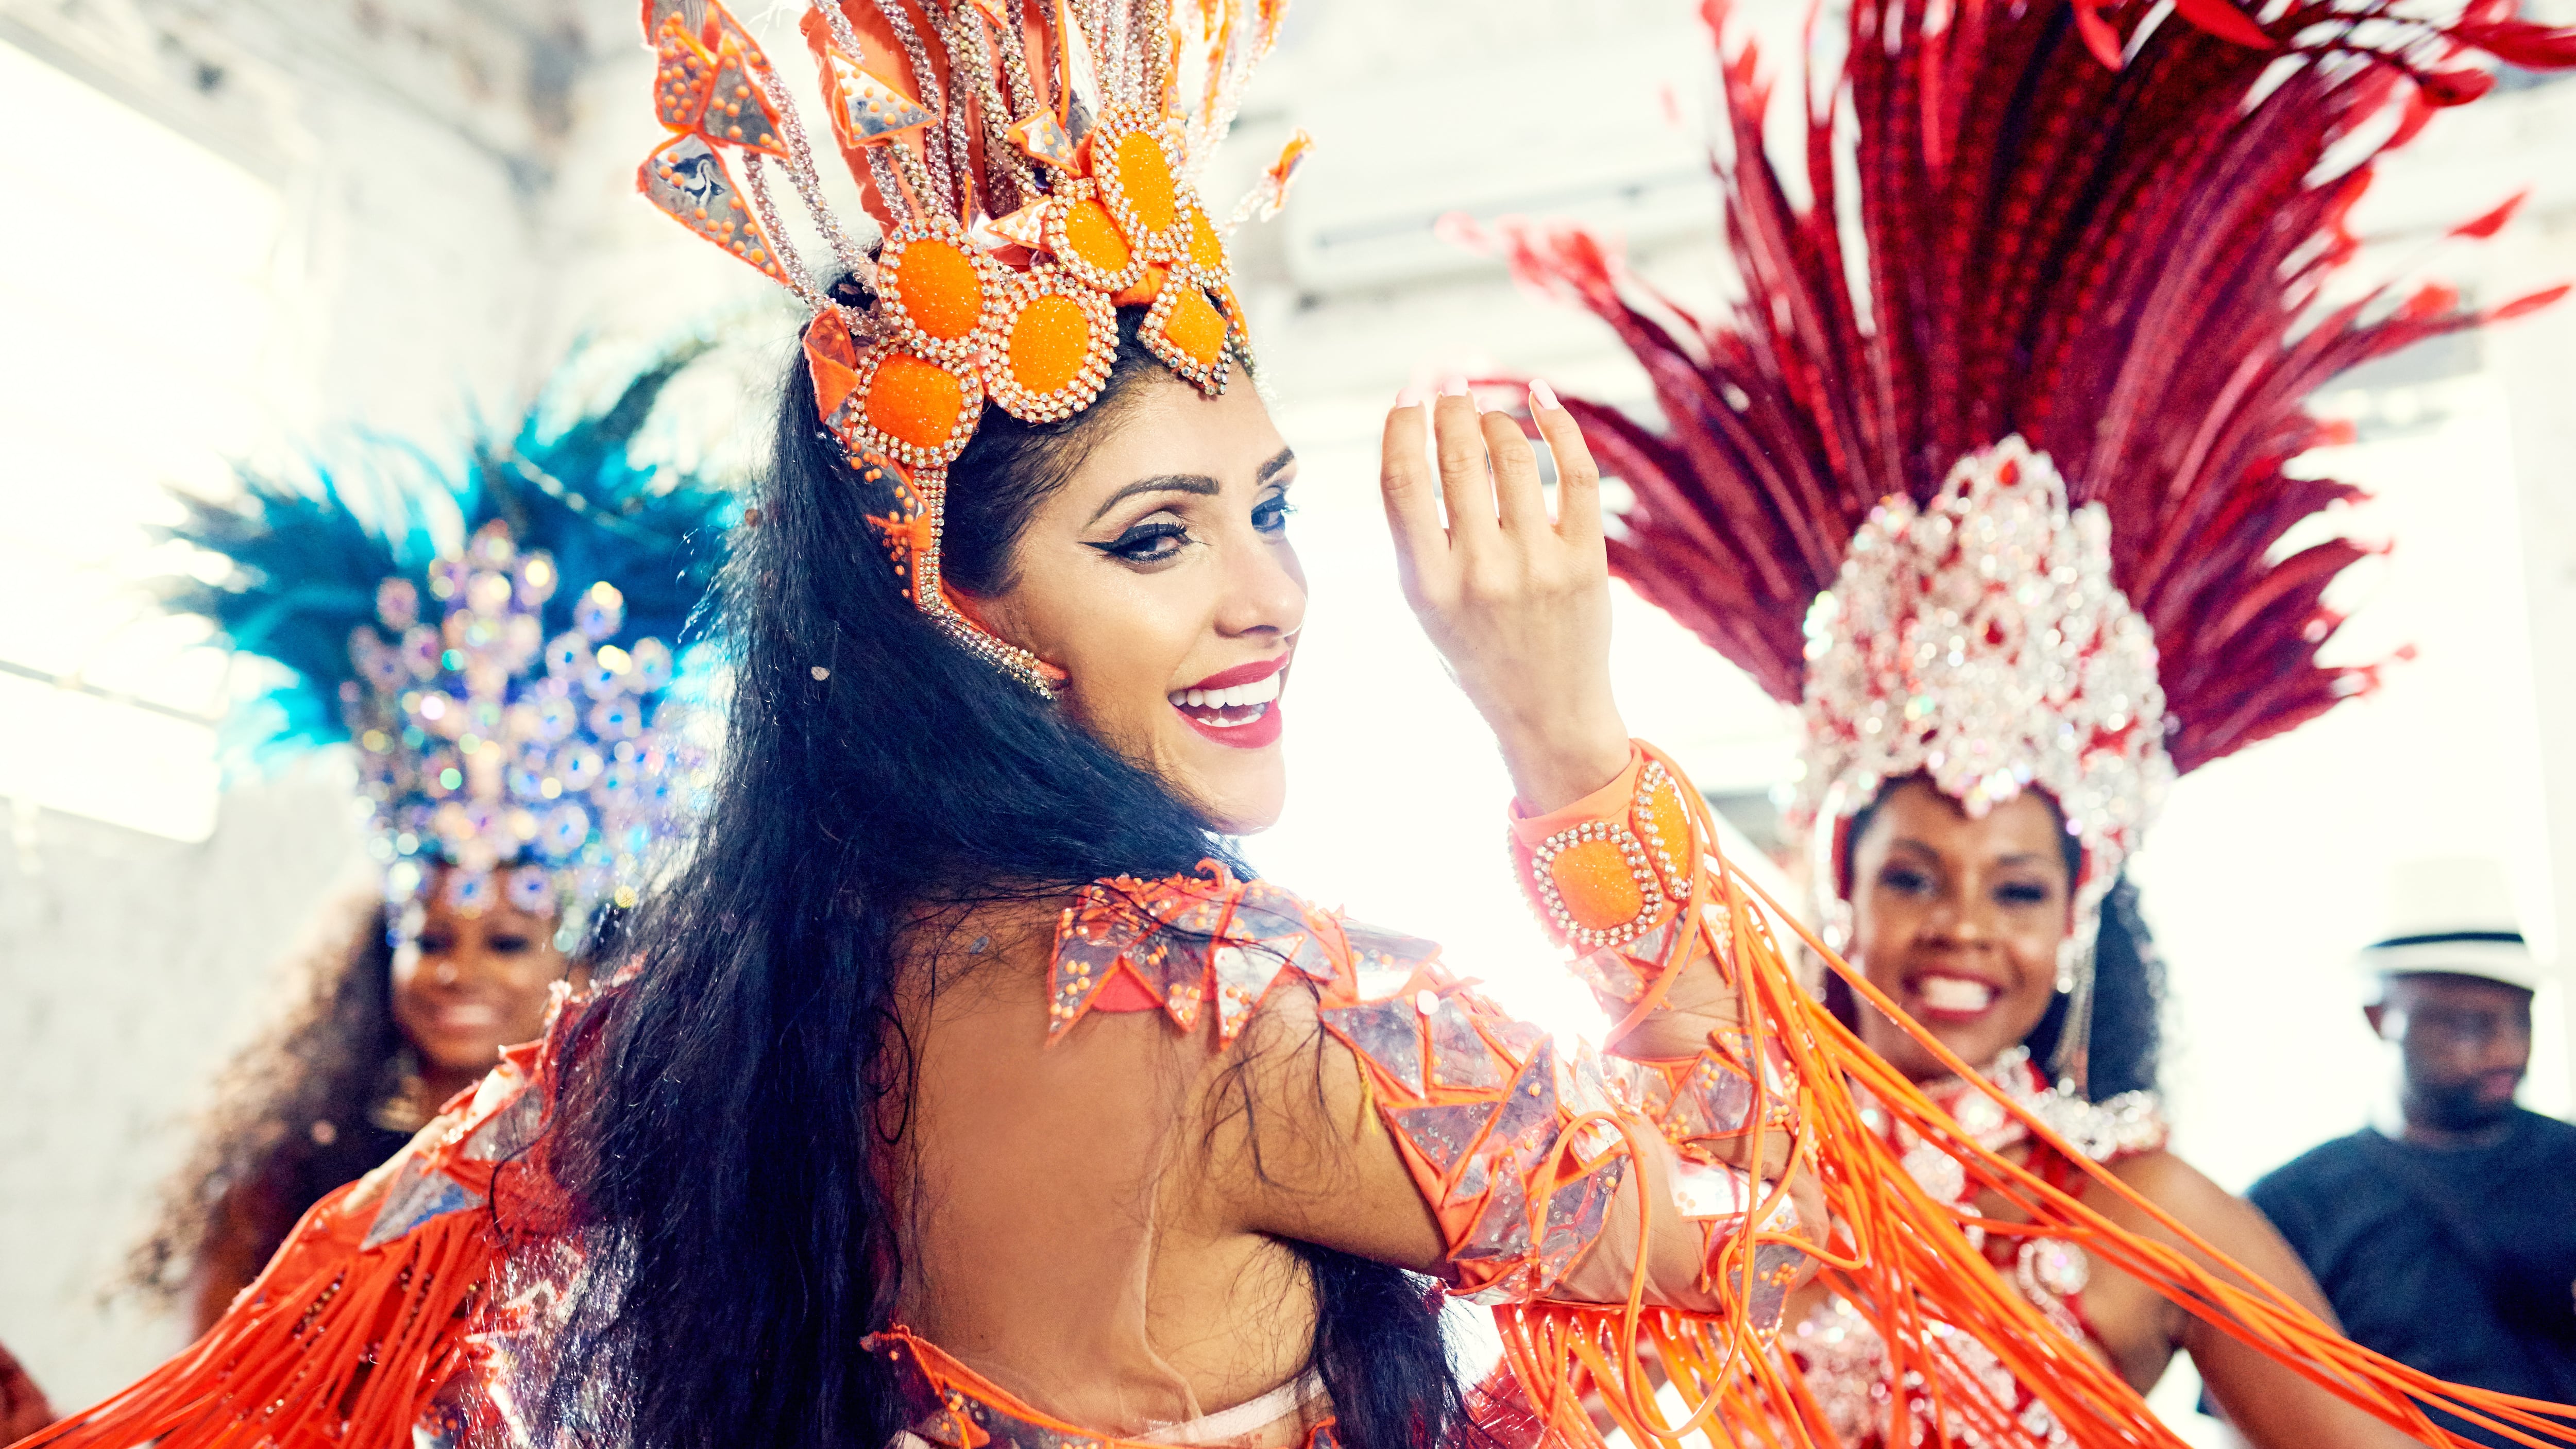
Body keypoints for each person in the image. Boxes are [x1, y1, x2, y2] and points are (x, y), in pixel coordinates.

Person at [22, 4, 2576, 1449]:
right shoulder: (1283, 1028)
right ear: (945, 613)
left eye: (1259, 501)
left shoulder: (663, 1041)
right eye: (1153, 538)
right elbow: (1785, 1229)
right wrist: (1564, 729)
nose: (1271, 593)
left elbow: (289, 1371)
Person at [1489, 0, 2576, 1438]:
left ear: (2077, 921)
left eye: (2017, 886)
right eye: (1915, 874)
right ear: (1838, 885)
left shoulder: (2149, 1212)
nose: (1962, 928)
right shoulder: (1724, 1148)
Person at [120, 347, 727, 1334]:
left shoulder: (638, 1169)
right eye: (433, 937)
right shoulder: (295, 1167)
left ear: (580, 956)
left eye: (505, 940)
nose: (457, 971)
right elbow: (217, 1387)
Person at [2250, 858, 2576, 1445]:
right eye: (2467, 1026)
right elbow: (2253, 1416)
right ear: (2379, 1018)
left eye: (2518, 1018)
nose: (2504, 1050)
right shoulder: (2288, 1209)